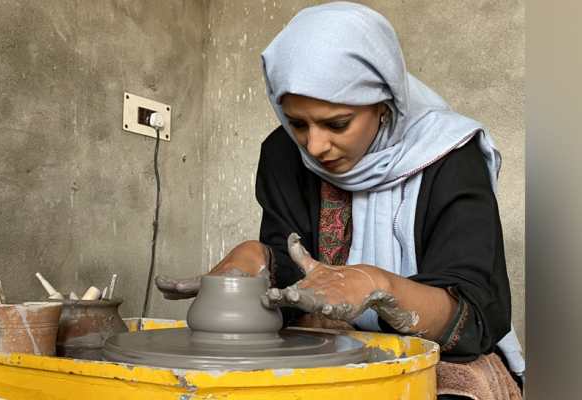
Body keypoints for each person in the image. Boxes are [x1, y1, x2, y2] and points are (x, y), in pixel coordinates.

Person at [156, 2, 523, 398]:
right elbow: (294, 284)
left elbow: (475, 318)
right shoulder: (283, 154)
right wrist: (258, 259)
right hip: (326, 345)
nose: (314, 146)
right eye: (297, 122)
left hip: (442, 352)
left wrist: (377, 285)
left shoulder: (450, 155)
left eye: (337, 124)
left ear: (385, 104)